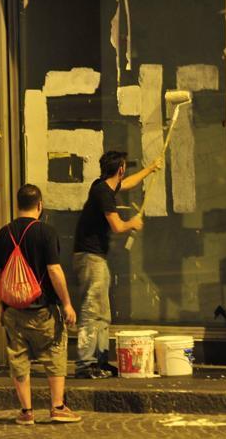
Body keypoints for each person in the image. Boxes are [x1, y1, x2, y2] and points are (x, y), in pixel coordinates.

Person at [0, 184, 81, 425]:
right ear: (40, 205)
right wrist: (67, 303)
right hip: (43, 310)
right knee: (54, 353)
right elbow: (53, 270)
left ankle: (26, 411)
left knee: (18, 359)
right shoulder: (46, 232)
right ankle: (58, 407)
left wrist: (0, 305)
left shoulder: (3, 233)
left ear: (17, 205)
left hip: (13, 309)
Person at [73, 151, 162, 379]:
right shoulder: (103, 192)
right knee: (91, 309)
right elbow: (117, 226)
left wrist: (151, 168)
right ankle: (86, 364)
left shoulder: (103, 186)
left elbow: (129, 183)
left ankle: (100, 362)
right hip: (90, 257)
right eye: (124, 168)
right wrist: (132, 222)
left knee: (102, 312)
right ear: (121, 169)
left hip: (95, 257)